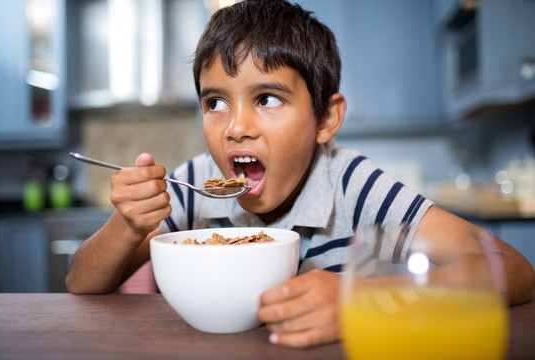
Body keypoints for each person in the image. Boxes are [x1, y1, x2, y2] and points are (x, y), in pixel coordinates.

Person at [66, 0, 535, 348]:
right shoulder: (194, 185)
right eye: (215, 102)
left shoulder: (352, 185)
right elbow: (81, 284)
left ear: (326, 120)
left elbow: (512, 269)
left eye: (267, 98)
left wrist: (361, 301)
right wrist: (126, 225)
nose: (236, 127)